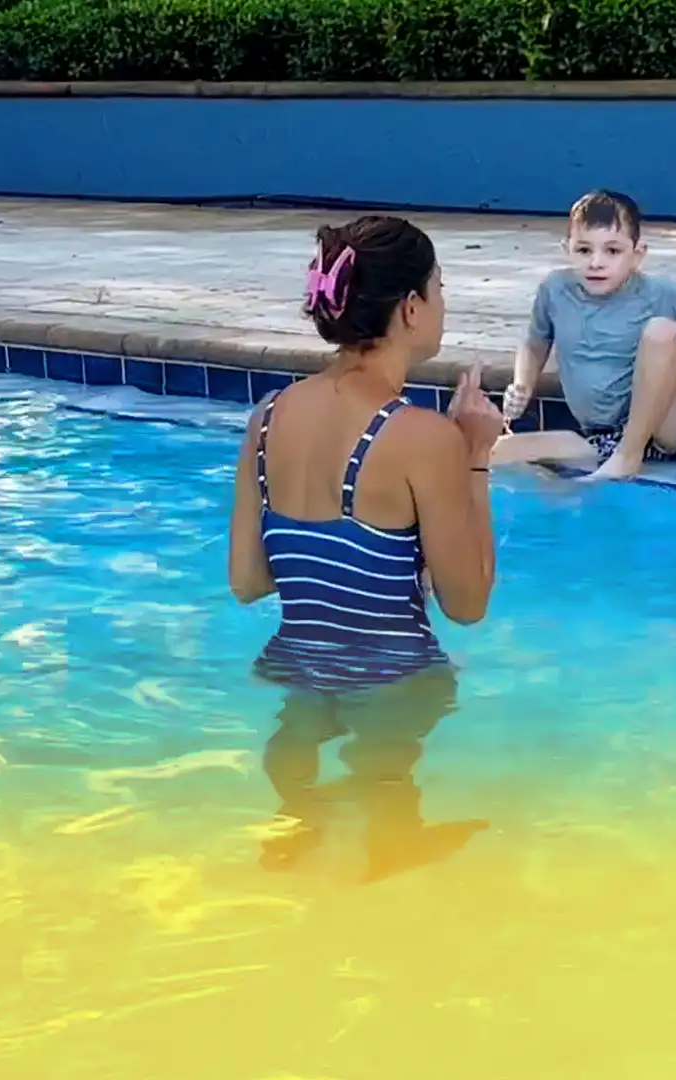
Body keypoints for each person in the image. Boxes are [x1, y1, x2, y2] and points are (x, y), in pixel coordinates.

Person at [227, 215, 501, 873]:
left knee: (300, 765)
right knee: (389, 798)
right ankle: (388, 847)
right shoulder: (422, 438)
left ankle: (294, 821)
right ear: (410, 309)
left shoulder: (268, 418)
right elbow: (467, 604)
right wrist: (477, 454)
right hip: (392, 681)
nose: (442, 304)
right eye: (438, 288)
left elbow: (248, 580)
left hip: (297, 667)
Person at [494, 188, 676, 480]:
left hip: (667, 431)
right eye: (584, 250)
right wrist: (522, 384)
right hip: (601, 438)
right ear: (566, 249)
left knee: (660, 331)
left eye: (612, 251)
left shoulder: (657, 293)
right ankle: (620, 456)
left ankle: (629, 456)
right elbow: (536, 341)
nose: (596, 262)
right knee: (495, 453)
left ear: (638, 255)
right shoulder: (555, 290)